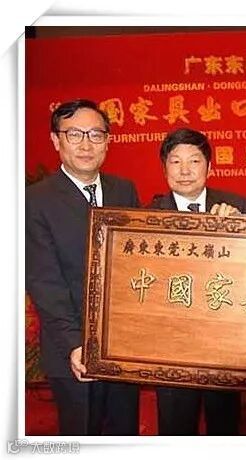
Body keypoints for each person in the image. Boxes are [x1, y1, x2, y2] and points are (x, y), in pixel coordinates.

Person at [26, 99, 140, 435]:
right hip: (72, 351)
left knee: (123, 436)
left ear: (108, 141)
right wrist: (76, 344)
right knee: (82, 438)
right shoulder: (35, 200)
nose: (86, 144)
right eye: (74, 134)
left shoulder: (124, 189)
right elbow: (44, 282)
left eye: (95, 134)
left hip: (123, 348)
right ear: (55, 140)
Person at [150, 128, 246, 435]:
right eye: (175, 161)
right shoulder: (148, 215)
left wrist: (238, 230)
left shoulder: (236, 207)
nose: (184, 170)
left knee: (225, 428)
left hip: (222, 345)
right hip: (171, 346)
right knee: (176, 429)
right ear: (164, 168)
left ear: (209, 167)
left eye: (194, 161)